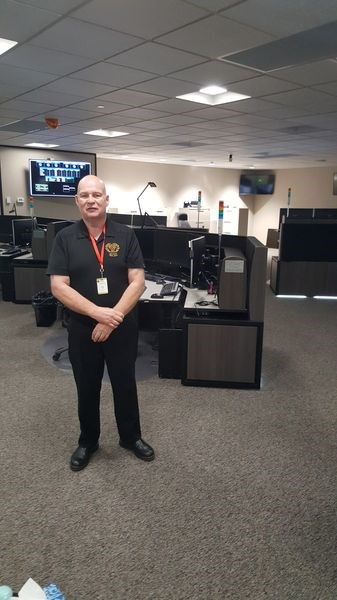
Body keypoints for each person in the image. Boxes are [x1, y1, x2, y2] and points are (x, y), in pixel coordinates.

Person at [47, 175, 155, 471]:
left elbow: (138, 281)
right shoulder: (65, 238)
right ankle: (88, 441)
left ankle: (130, 437)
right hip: (83, 328)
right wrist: (98, 313)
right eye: (85, 196)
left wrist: (112, 318)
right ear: (77, 201)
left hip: (121, 326)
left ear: (107, 200)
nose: (91, 200)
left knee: (124, 383)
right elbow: (59, 286)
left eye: (97, 195)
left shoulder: (125, 234)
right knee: (87, 386)